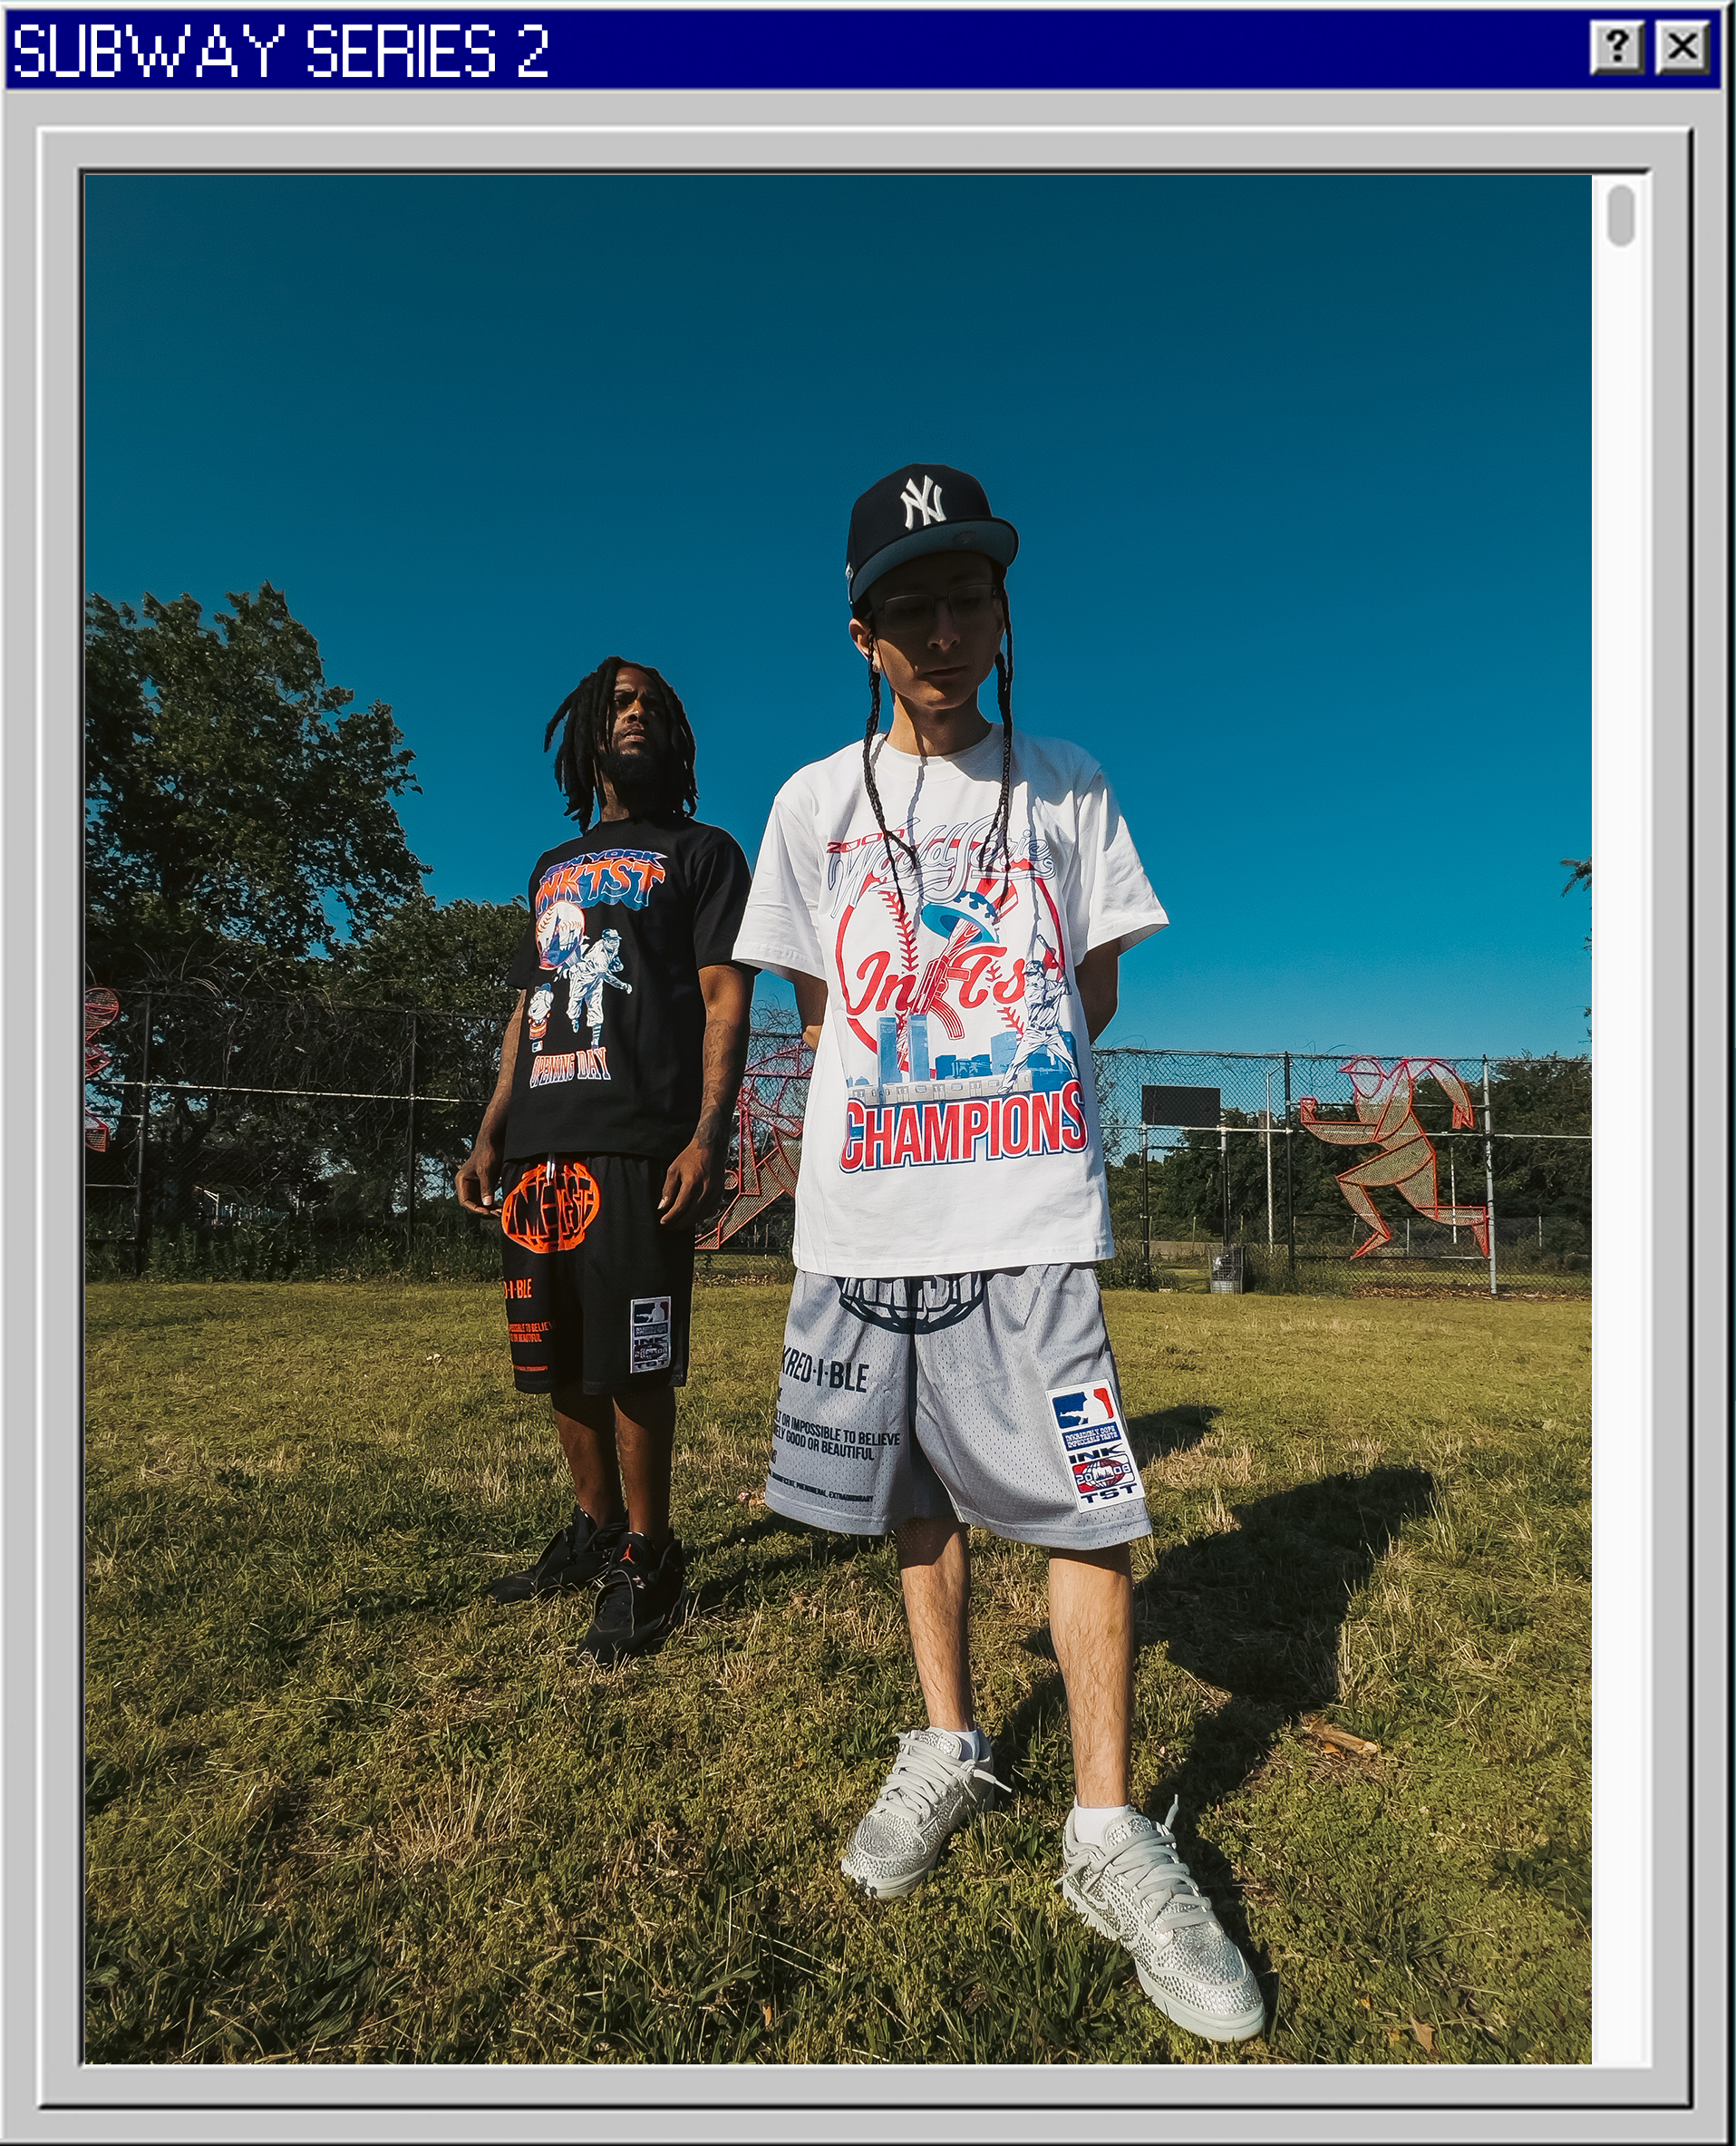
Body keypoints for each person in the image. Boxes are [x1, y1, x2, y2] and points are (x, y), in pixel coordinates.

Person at [731, 465, 1266, 2043]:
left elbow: (1087, 984)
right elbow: (817, 1012)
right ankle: (949, 1739)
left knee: (1086, 1507)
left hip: (1028, 1217)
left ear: (1004, 613)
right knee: (914, 1496)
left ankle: (1107, 1829)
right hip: (869, 1219)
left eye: (971, 598)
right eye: (913, 607)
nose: (947, 629)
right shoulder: (811, 805)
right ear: (863, 633)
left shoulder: (1071, 782)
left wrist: (988, 1084)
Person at [457, 658, 752, 1661]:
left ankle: (650, 1552)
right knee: (556, 1360)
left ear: (675, 739)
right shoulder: (550, 868)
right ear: (587, 738)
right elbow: (527, 1005)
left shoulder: (704, 853)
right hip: (538, 1143)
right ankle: (591, 1530)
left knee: (633, 1358)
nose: (634, 716)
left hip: (638, 1140)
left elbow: (723, 1001)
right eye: (618, 706)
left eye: (652, 707)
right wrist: (493, 1122)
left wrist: (707, 1134)